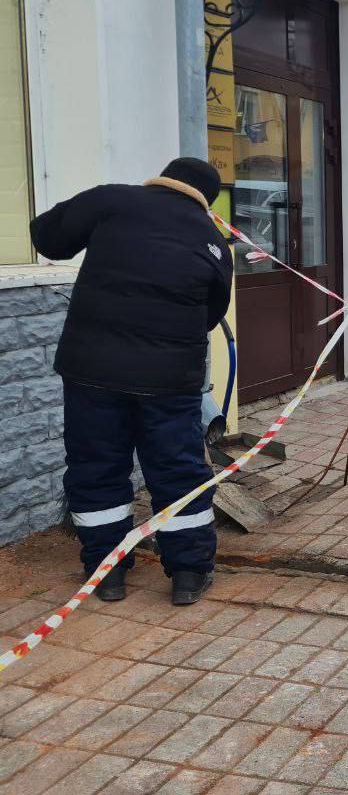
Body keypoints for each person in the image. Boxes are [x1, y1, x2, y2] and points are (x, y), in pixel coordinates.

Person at [30, 158, 233, 606]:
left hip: (92, 372)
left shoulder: (111, 200)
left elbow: (48, 236)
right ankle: (187, 574)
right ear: (206, 200)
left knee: (96, 464)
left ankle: (107, 573)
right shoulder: (213, 241)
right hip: (169, 380)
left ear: (164, 179)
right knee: (178, 469)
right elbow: (212, 314)